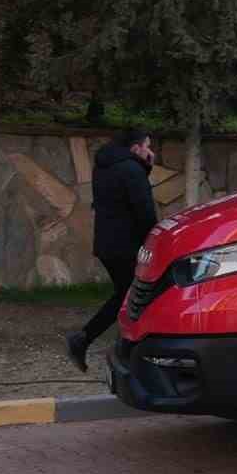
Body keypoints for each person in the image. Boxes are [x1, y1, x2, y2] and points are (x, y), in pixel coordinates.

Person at [65, 127, 158, 373]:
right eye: (147, 146)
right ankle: (96, 343)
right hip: (127, 245)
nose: (150, 151)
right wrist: (154, 242)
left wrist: (144, 168)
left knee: (127, 297)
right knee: (135, 297)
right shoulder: (131, 169)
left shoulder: (105, 165)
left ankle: (92, 341)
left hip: (108, 245)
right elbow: (144, 210)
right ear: (135, 147)